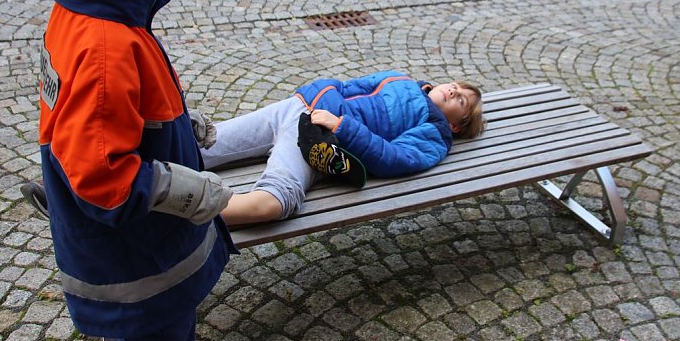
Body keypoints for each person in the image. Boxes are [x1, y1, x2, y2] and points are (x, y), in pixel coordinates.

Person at [16, 0, 234, 341]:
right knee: (156, 334)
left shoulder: (83, 14)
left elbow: (113, 115)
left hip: (128, 242)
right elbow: (100, 176)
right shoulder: (105, 43)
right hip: (139, 252)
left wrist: (184, 125)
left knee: (159, 337)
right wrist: (191, 190)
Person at [200, 70, 486, 225]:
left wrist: (341, 127)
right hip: (297, 106)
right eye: (455, 86)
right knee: (204, 142)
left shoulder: (434, 133)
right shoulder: (401, 79)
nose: (453, 91)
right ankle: (157, 181)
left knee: (273, 202)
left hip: (317, 140)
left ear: (455, 127)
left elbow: (394, 158)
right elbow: (348, 85)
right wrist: (322, 90)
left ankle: (187, 210)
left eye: (461, 100)